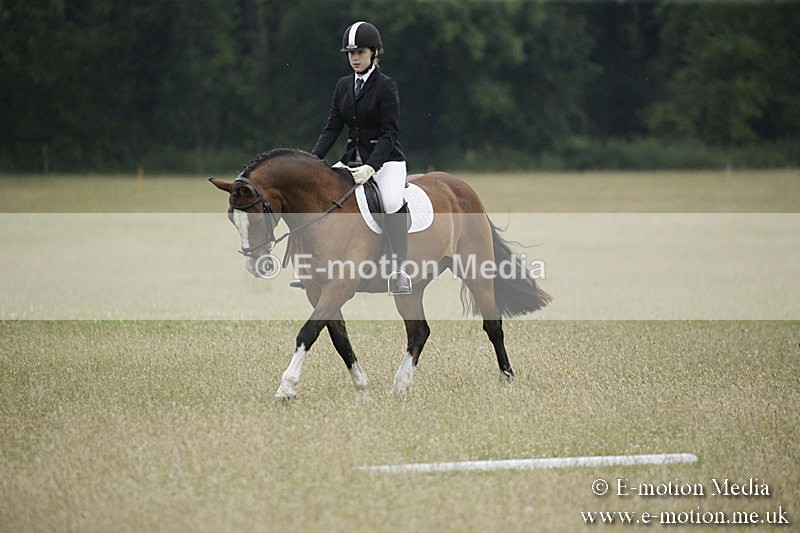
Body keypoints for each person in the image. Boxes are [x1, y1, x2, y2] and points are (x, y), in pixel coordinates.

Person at [308, 20, 411, 295]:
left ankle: (400, 269)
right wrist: (311, 161)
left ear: (375, 53)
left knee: (390, 200)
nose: (355, 58)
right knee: (321, 197)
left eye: (360, 52)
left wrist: (372, 166)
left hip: (386, 160)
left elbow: (390, 133)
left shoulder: (386, 86)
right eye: (351, 53)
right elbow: (332, 128)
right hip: (352, 159)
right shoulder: (343, 86)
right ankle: (313, 266)